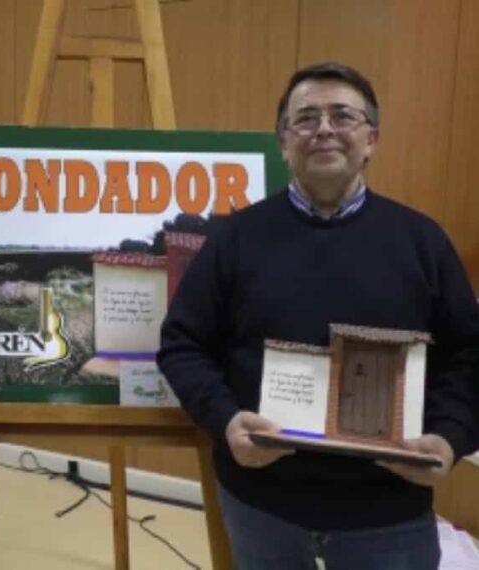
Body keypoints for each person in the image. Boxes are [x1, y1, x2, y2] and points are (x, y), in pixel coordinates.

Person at [157, 62, 479, 570]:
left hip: (389, 511)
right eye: (306, 118)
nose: (324, 129)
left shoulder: (422, 242)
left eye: (342, 116)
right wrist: (226, 421)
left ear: (371, 139)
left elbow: (469, 355)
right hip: (261, 506)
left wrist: (449, 436)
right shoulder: (233, 238)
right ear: (284, 143)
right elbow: (183, 344)